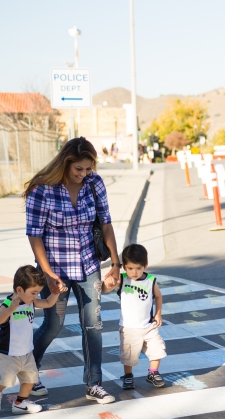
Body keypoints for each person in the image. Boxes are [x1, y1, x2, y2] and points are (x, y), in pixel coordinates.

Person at [24, 137, 122, 404]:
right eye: (79, 169)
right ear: (65, 163)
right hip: (54, 269)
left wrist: (115, 264)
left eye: (88, 169)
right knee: (53, 325)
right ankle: (28, 373)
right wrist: (47, 274)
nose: (84, 174)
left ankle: (94, 383)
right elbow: (35, 236)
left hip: (89, 265)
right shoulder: (42, 189)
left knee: (93, 325)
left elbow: (106, 225)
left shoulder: (95, 184)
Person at [0, 265, 66, 414]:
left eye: (38, 293)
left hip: (26, 350)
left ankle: (20, 402)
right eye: (33, 293)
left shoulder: (30, 302)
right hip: (7, 351)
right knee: (7, 380)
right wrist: (10, 309)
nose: (36, 296)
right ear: (19, 290)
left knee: (30, 379)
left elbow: (48, 303)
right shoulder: (9, 302)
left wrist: (55, 293)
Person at [113, 243, 168, 390]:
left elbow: (158, 296)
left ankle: (153, 372)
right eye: (130, 268)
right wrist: (111, 278)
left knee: (157, 349)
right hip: (129, 327)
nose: (134, 272)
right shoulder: (123, 279)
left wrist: (158, 313)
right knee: (129, 355)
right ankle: (128, 375)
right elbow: (108, 287)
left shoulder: (150, 280)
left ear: (145, 265)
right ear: (124, 266)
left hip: (148, 325)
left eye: (138, 268)